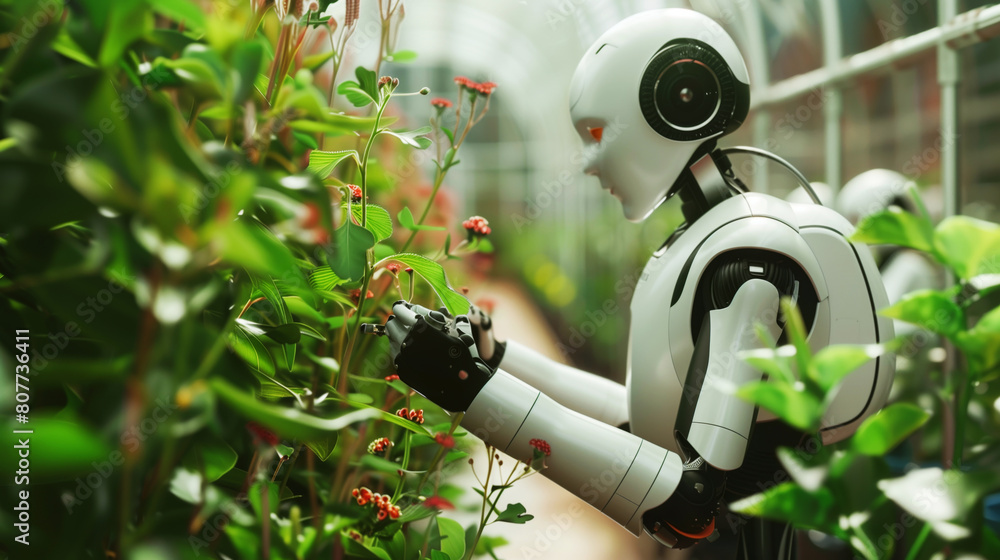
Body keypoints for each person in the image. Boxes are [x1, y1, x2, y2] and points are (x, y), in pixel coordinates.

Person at [375, 9, 894, 559]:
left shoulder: (749, 264)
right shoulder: (712, 244)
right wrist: (496, 358)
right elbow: (644, 418)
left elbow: (692, 506)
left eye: (597, 134)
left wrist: (472, 392)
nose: (590, 164)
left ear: (674, 103)